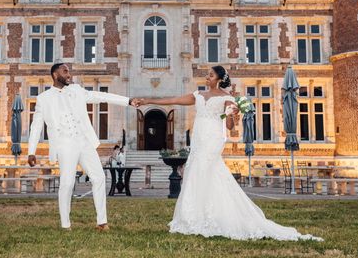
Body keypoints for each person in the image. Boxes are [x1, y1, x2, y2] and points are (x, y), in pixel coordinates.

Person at [136, 65, 322, 241]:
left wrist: (233, 115)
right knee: (195, 172)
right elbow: (173, 100)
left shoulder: (227, 98)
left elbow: (229, 126)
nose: (207, 77)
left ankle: (212, 216)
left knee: (206, 170)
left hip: (213, 139)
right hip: (199, 138)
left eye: (210, 75)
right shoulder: (198, 95)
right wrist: (147, 101)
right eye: (207, 74)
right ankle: (193, 216)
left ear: (218, 79)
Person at [28, 63, 140, 231]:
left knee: (99, 177)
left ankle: (102, 222)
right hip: (65, 144)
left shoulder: (77, 90)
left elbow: (101, 95)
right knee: (67, 182)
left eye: (69, 71)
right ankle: (66, 225)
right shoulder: (43, 99)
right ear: (54, 75)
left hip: (84, 142)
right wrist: (31, 151)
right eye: (65, 71)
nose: (69, 74)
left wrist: (128, 101)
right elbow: (36, 127)